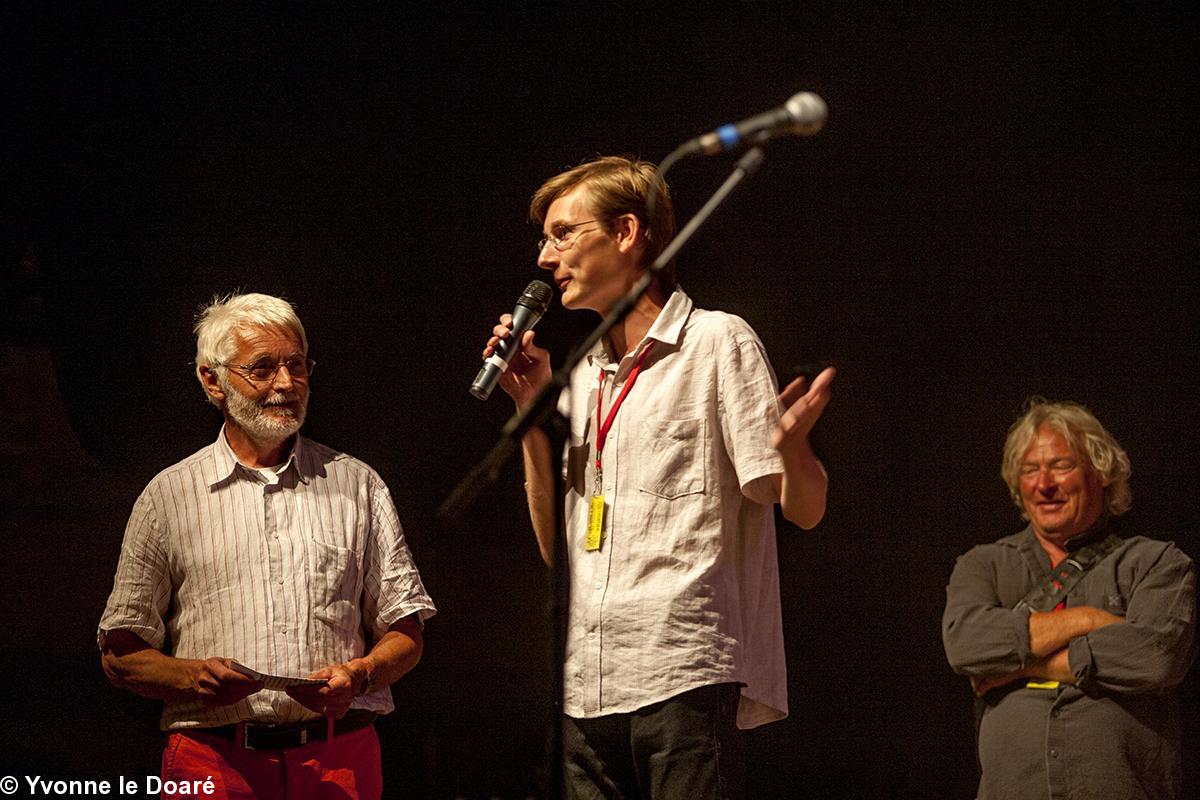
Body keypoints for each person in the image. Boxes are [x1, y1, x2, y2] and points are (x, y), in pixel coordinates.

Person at [482, 155, 834, 799]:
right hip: (585, 686)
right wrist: (531, 409)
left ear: (626, 232)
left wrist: (797, 454)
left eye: (563, 233)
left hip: (683, 673)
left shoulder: (717, 343)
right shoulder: (579, 377)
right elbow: (555, 550)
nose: (544, 257)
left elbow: (802, 511)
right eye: (545, 238)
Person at [99, 292, 435, 799]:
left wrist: (361, 673)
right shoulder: (168, 496)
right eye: (262, 368)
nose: (286, 384)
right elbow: (120, 654)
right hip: (212, 763)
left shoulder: (358, 484)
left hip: (337, 762)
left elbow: (406, 631)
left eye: (296, 366)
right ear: (212, 380)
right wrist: (192, 677)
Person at [942, 398, 1195, 800]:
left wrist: (1024, 665)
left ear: (1102, 473)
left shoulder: (1155, 563)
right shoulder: (983, 564)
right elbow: (966, 644)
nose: (1044, 484)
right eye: (1030, 470)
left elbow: (1154, 656)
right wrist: (1088, 619)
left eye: (1061, 465)